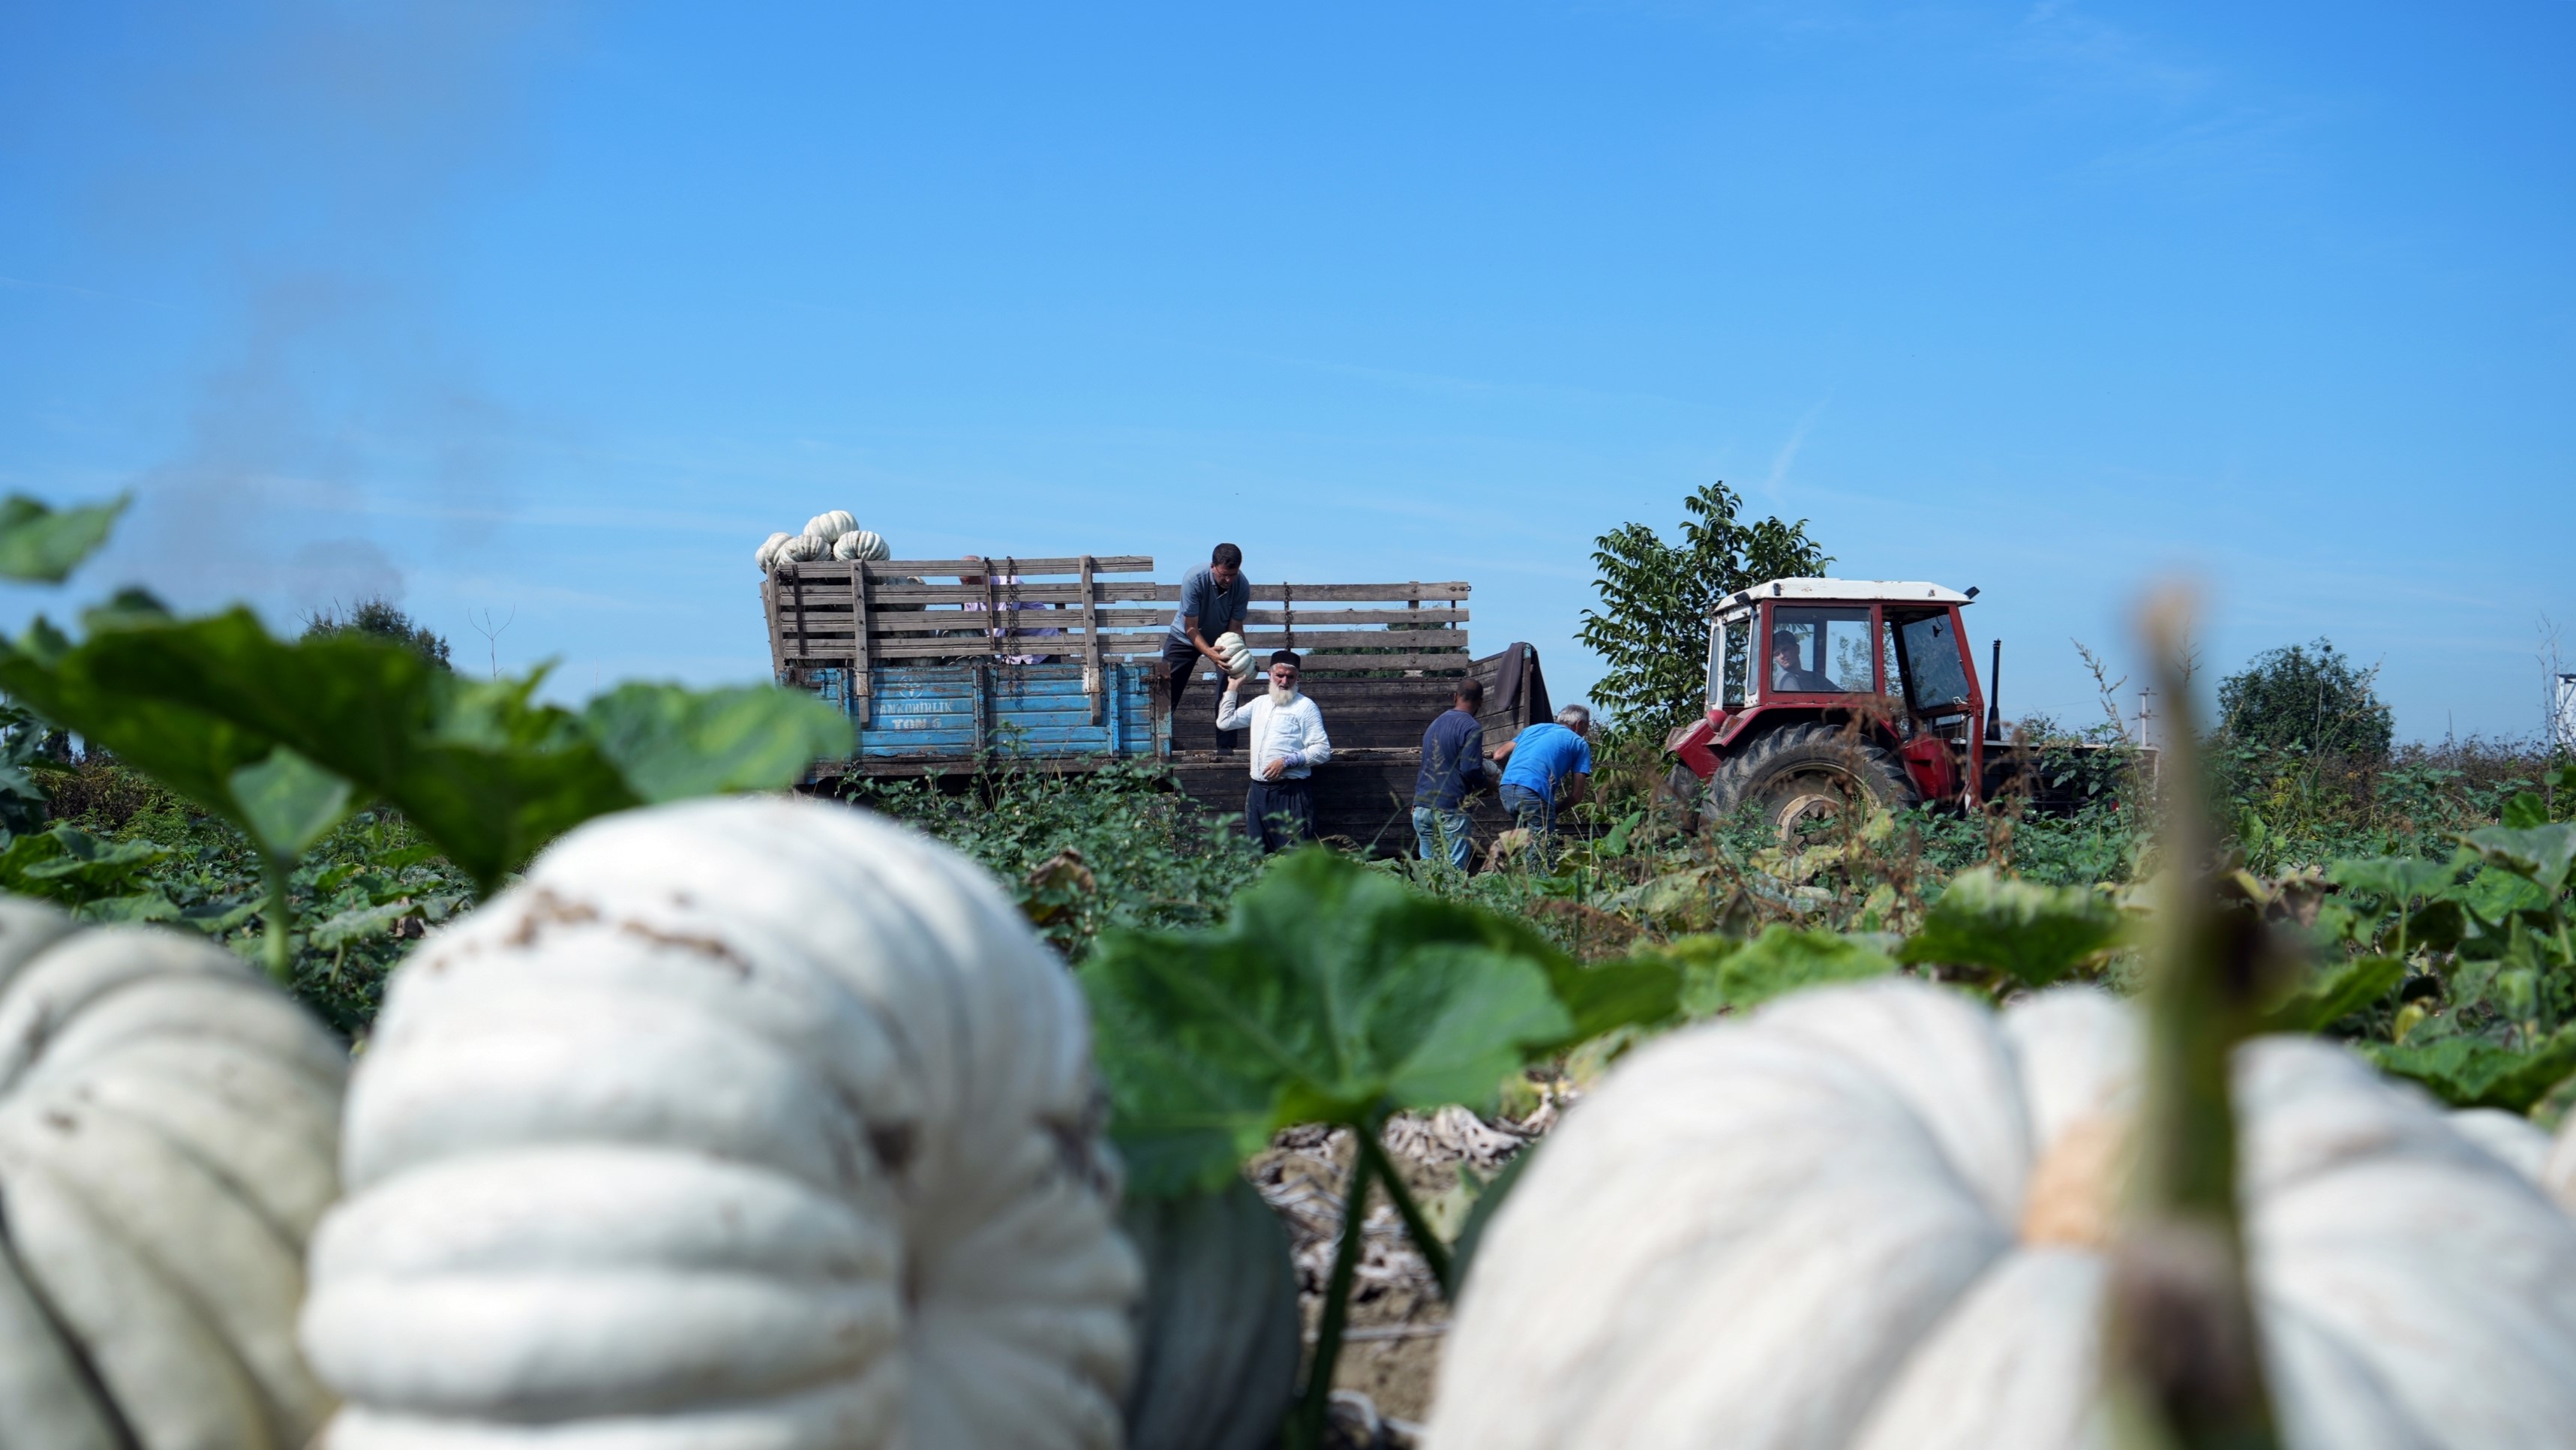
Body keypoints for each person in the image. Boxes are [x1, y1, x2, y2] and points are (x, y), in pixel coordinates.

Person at [1215, 649, 1332, 854]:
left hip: (1292, 793)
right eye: (1280, 675)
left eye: (1290, 676)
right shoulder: (1259, 704)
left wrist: (1287, 762)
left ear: (1297, 678)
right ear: (1269, 674)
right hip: (1258, 792)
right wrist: (1232, 689)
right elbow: (1225, 722)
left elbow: (1322, 751)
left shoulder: (1305, 707)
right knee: (1257, 856)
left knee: (1294, 858)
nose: (1284, 681)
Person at [1489, 703, 1593, 860]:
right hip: (1534, 792)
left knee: (1524, 844)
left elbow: (1499, 755)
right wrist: (1554, 810)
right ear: (1579, 724)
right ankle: (1538, 881)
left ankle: (1509, 877)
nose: (1585, 733)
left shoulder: (1533, 729)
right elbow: (1577, 795)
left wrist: (1515, 775)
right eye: (1586, 728)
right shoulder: (1579, 743)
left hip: (1507, 789)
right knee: (1541, 854)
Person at [1163, 543, 1251, 718]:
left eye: (1233, 575)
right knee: (1166, 688)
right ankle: (1158, 740)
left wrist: (1241, 657)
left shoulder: (1242, 585)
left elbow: (1235, 628)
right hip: (1185, 637)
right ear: (1213, 566)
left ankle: (1226, 745)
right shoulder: (1194, 579)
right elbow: (1190, 627)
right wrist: (1210, 654)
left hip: (1222, 639)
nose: (1229, 581)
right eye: (1224, 575)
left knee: (1230, 686)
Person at [1412, 678, 1488, 869]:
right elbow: (1470, 769)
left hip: (1422, 807)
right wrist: (1488, 785)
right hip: (1450, 808)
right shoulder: (1471, 727)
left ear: (1455, 697)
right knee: (1453, 872)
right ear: (1481, 702)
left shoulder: (1434, 724)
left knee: (1429, 870)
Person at [959, 556, 1060, 665]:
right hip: (1012, 653)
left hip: (1042, 646)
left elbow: (1003, 623)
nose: (970, 589)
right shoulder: (970, 594)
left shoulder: (1008, 582)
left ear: (984, 575)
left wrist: (984, 646)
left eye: (973, 584)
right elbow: (973, 627)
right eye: (965, 584)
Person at [1770, 629, 1839, 693]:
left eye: (1785, 650)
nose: (1782, 656)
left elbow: (1843, 696)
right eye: (1777, 654)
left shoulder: (1815, 677)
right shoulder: (1786, 678)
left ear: (1797, 649)